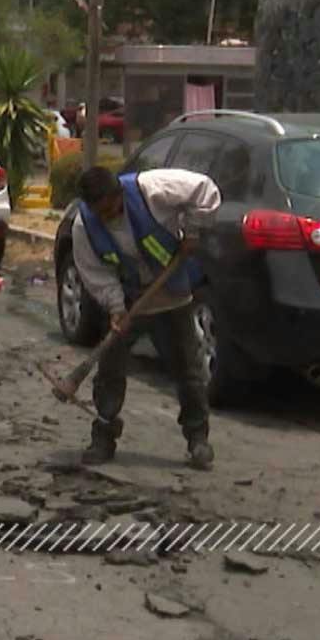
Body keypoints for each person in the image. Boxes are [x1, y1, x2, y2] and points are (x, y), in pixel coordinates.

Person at [67, 165, 223, 470]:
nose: (107, 216)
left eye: (111, 208)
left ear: (118, 194)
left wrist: (192, 230)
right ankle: (104, 436)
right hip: (128, 299)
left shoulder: (152, 190)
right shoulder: (84, 227)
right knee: (110, 370)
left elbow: (205, 189)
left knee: (187, 371)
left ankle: (197, 439)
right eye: (100, 212)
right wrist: (116, 308)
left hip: (171, 295)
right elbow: (95, 273)